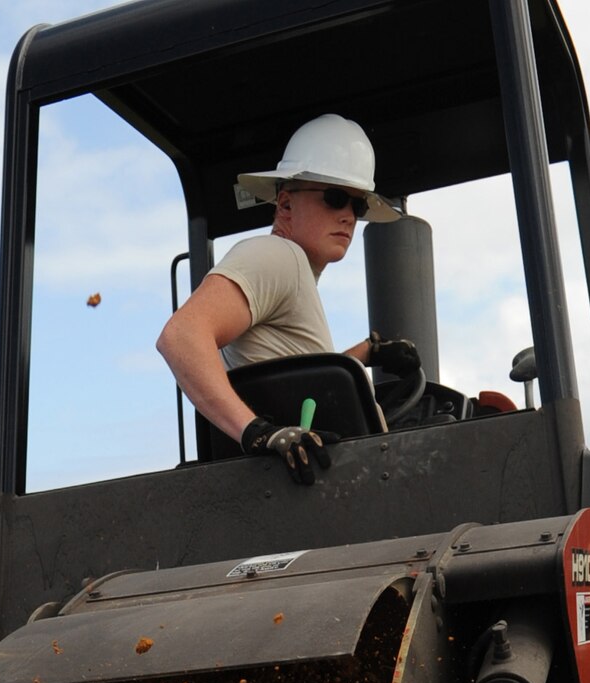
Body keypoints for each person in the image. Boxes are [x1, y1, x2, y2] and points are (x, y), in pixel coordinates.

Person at [156, 114, 420, 483]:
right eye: (335, 198)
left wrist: (366, 353)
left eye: (357, 206)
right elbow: (181, 336)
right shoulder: (280, 256)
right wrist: (257, 432)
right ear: (285, 204)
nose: (347, 216)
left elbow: (300, 382)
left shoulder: (290, 276)